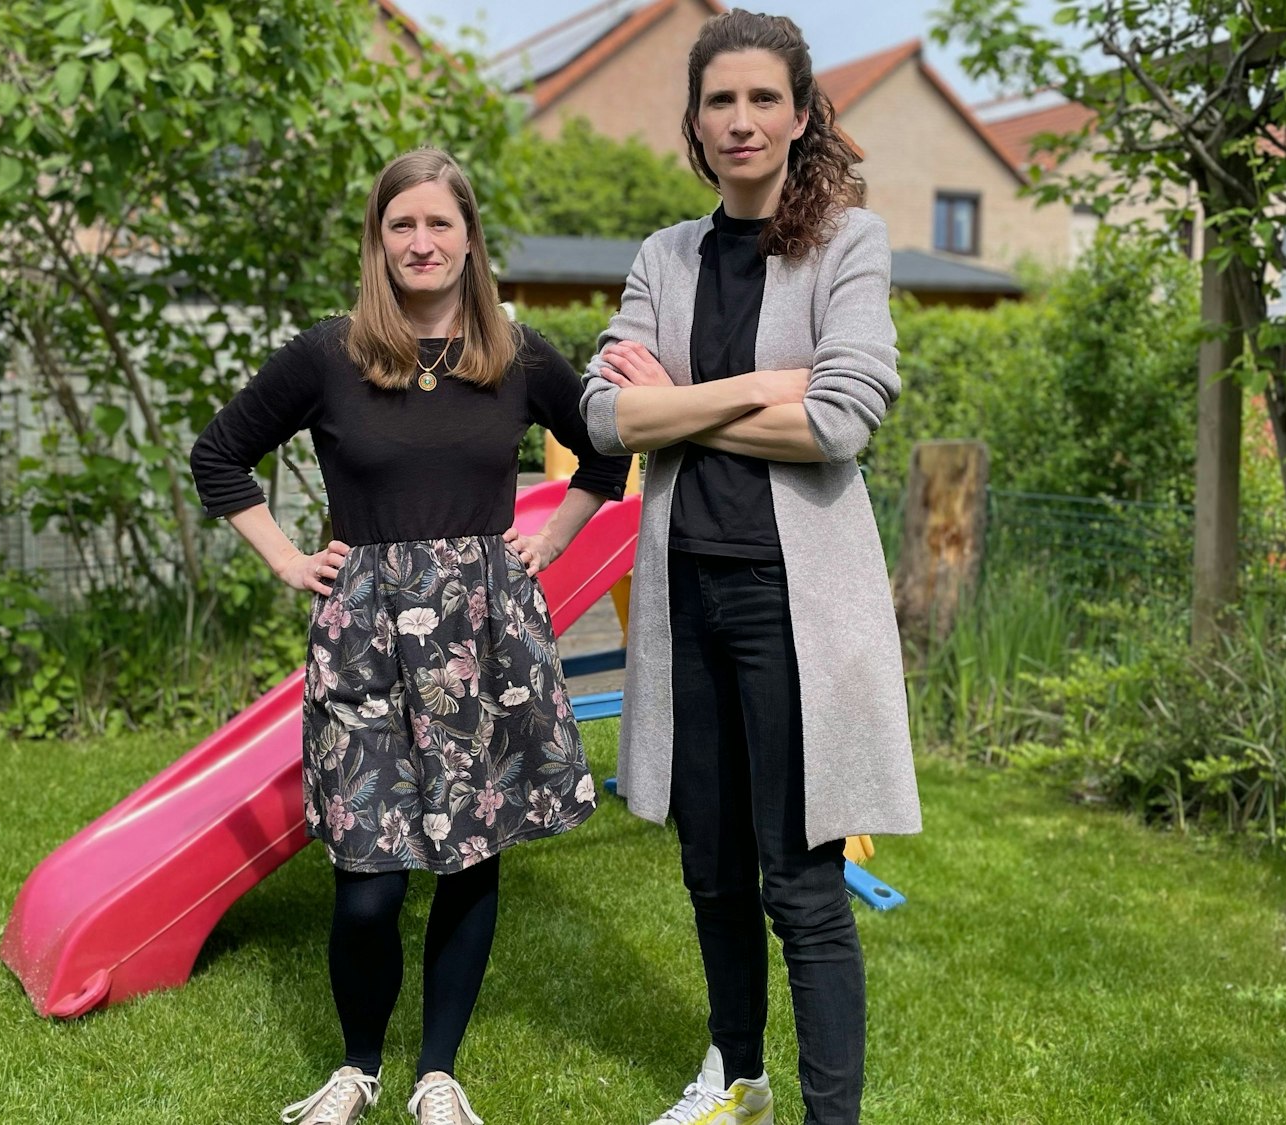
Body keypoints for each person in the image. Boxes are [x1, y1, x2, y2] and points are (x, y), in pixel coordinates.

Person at [189, 147, 631, 1125]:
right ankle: (357, 1067)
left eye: (439, 224)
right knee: (366, 880)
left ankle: (437, 1072)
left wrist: (547, 541)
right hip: (364, 638)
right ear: (377, 240)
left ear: (468, 238)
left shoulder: (513, 354)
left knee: (472, 854)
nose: (420, 242)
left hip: (484, 633)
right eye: (402, 225)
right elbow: (218, 454)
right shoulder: (328, 354)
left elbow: (608, 447)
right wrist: (285, 559)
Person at [579, 11, 922, 1125]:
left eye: (761, 99)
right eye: (718, 101)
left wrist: (671, 404)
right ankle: (736, 1079)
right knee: (710, 866)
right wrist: (754, 388)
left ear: (801, 113)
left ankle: (832, 1117)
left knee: (804, 882)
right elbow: (600, 416)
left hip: (793, 605)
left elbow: (839, 423)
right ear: (692, 121)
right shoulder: (662, 256)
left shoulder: (846, 245)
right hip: (682, 598)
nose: (739, 121)